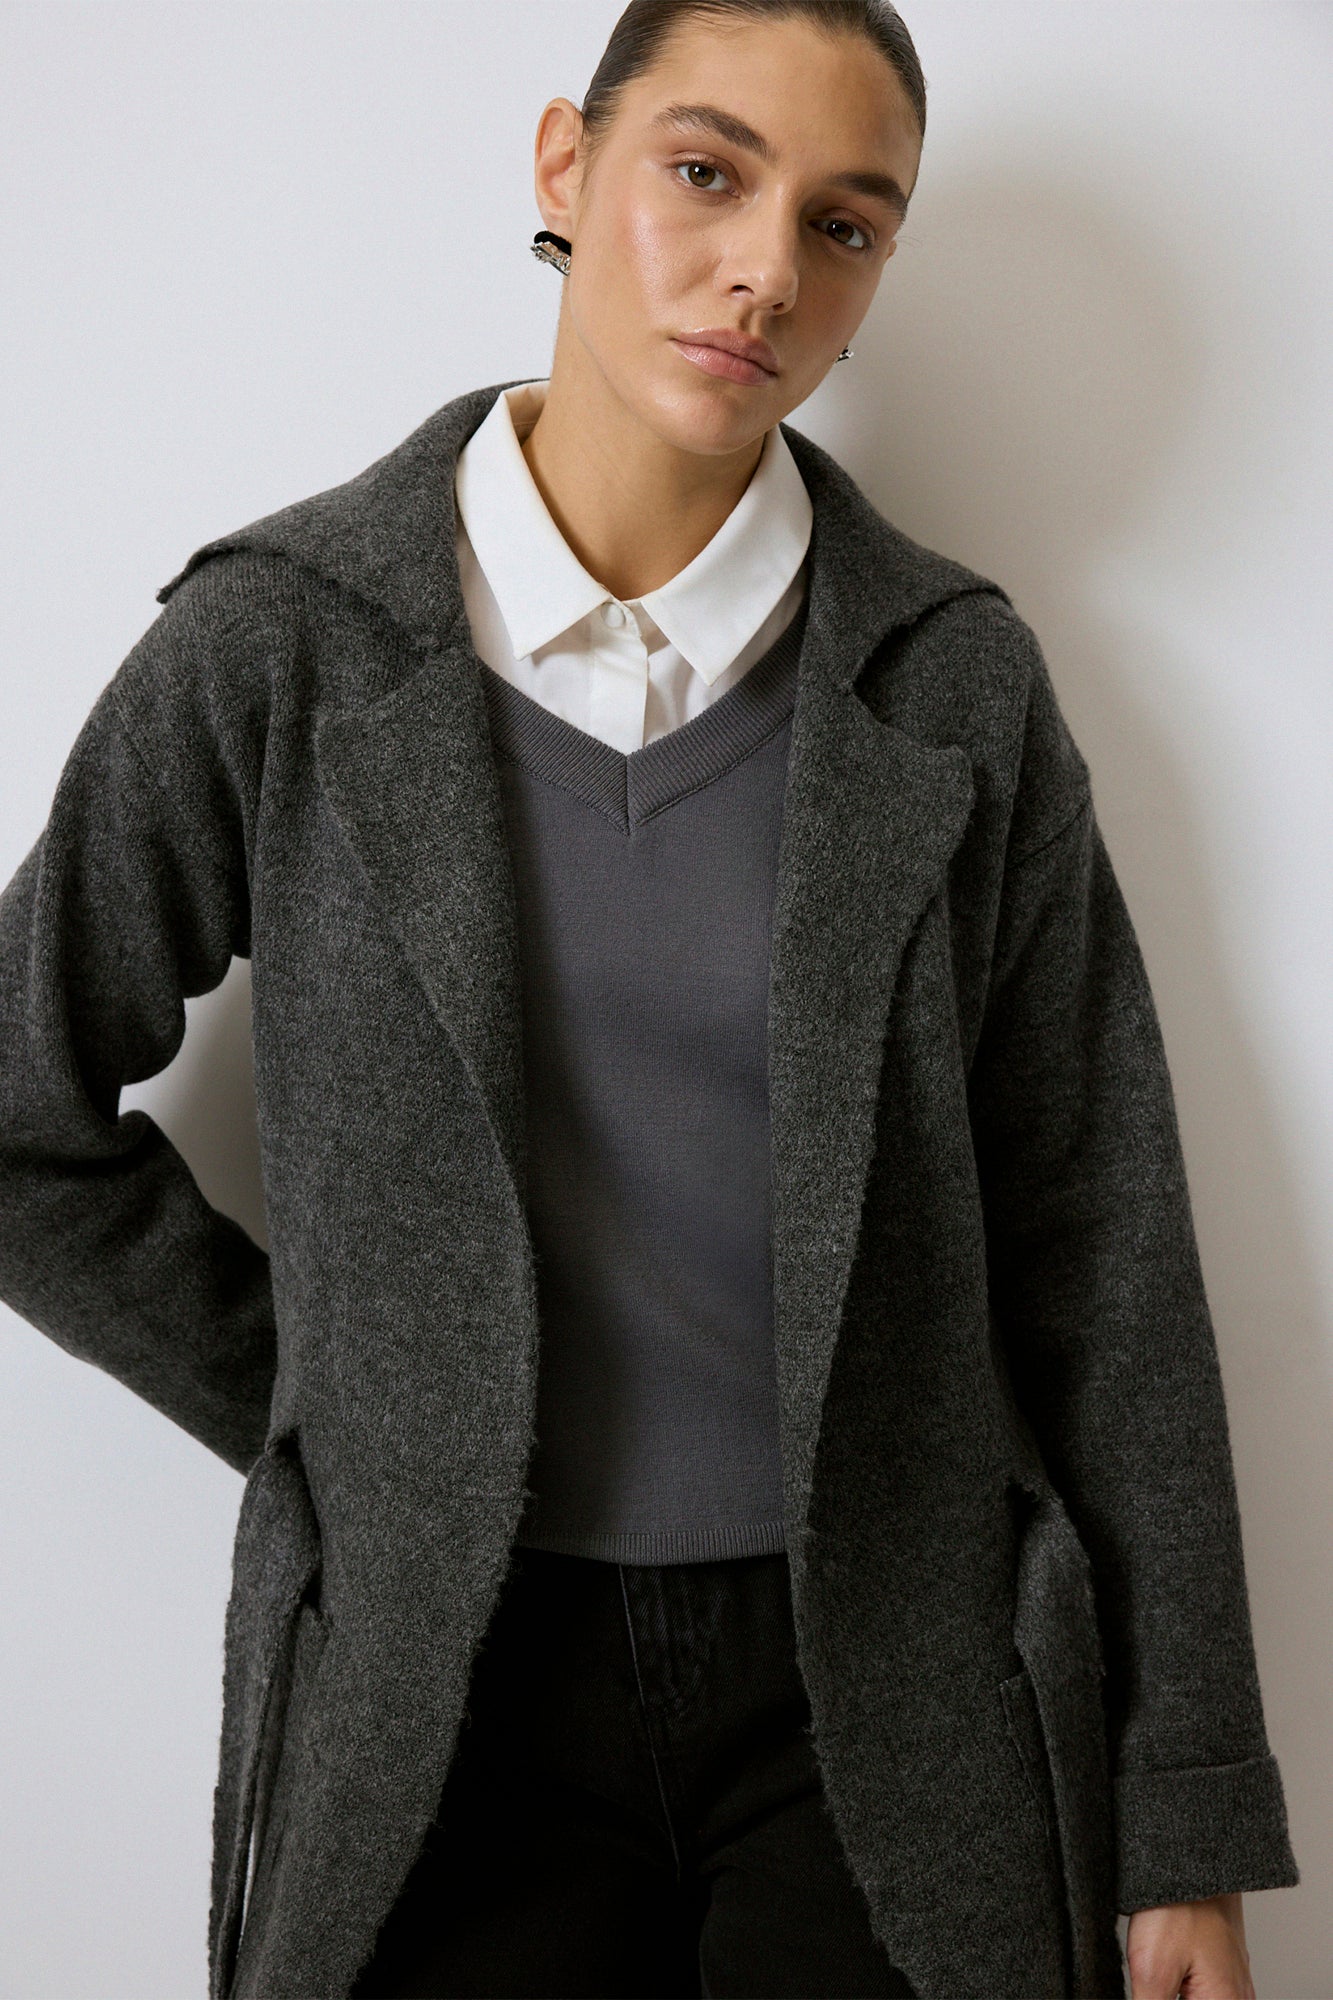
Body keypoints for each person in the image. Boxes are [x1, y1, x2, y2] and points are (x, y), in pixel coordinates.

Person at [0, 2, 1300, 1996]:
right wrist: (350, 1406)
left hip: (891, 1705)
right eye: (705, 172)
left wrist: (1182, 1818)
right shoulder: (282, 649)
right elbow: (19, 1115)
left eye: (844, 224)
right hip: (441, 1705)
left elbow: (1102, 1253)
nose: (767, 268)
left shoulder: (950, 688)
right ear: (563, 164)